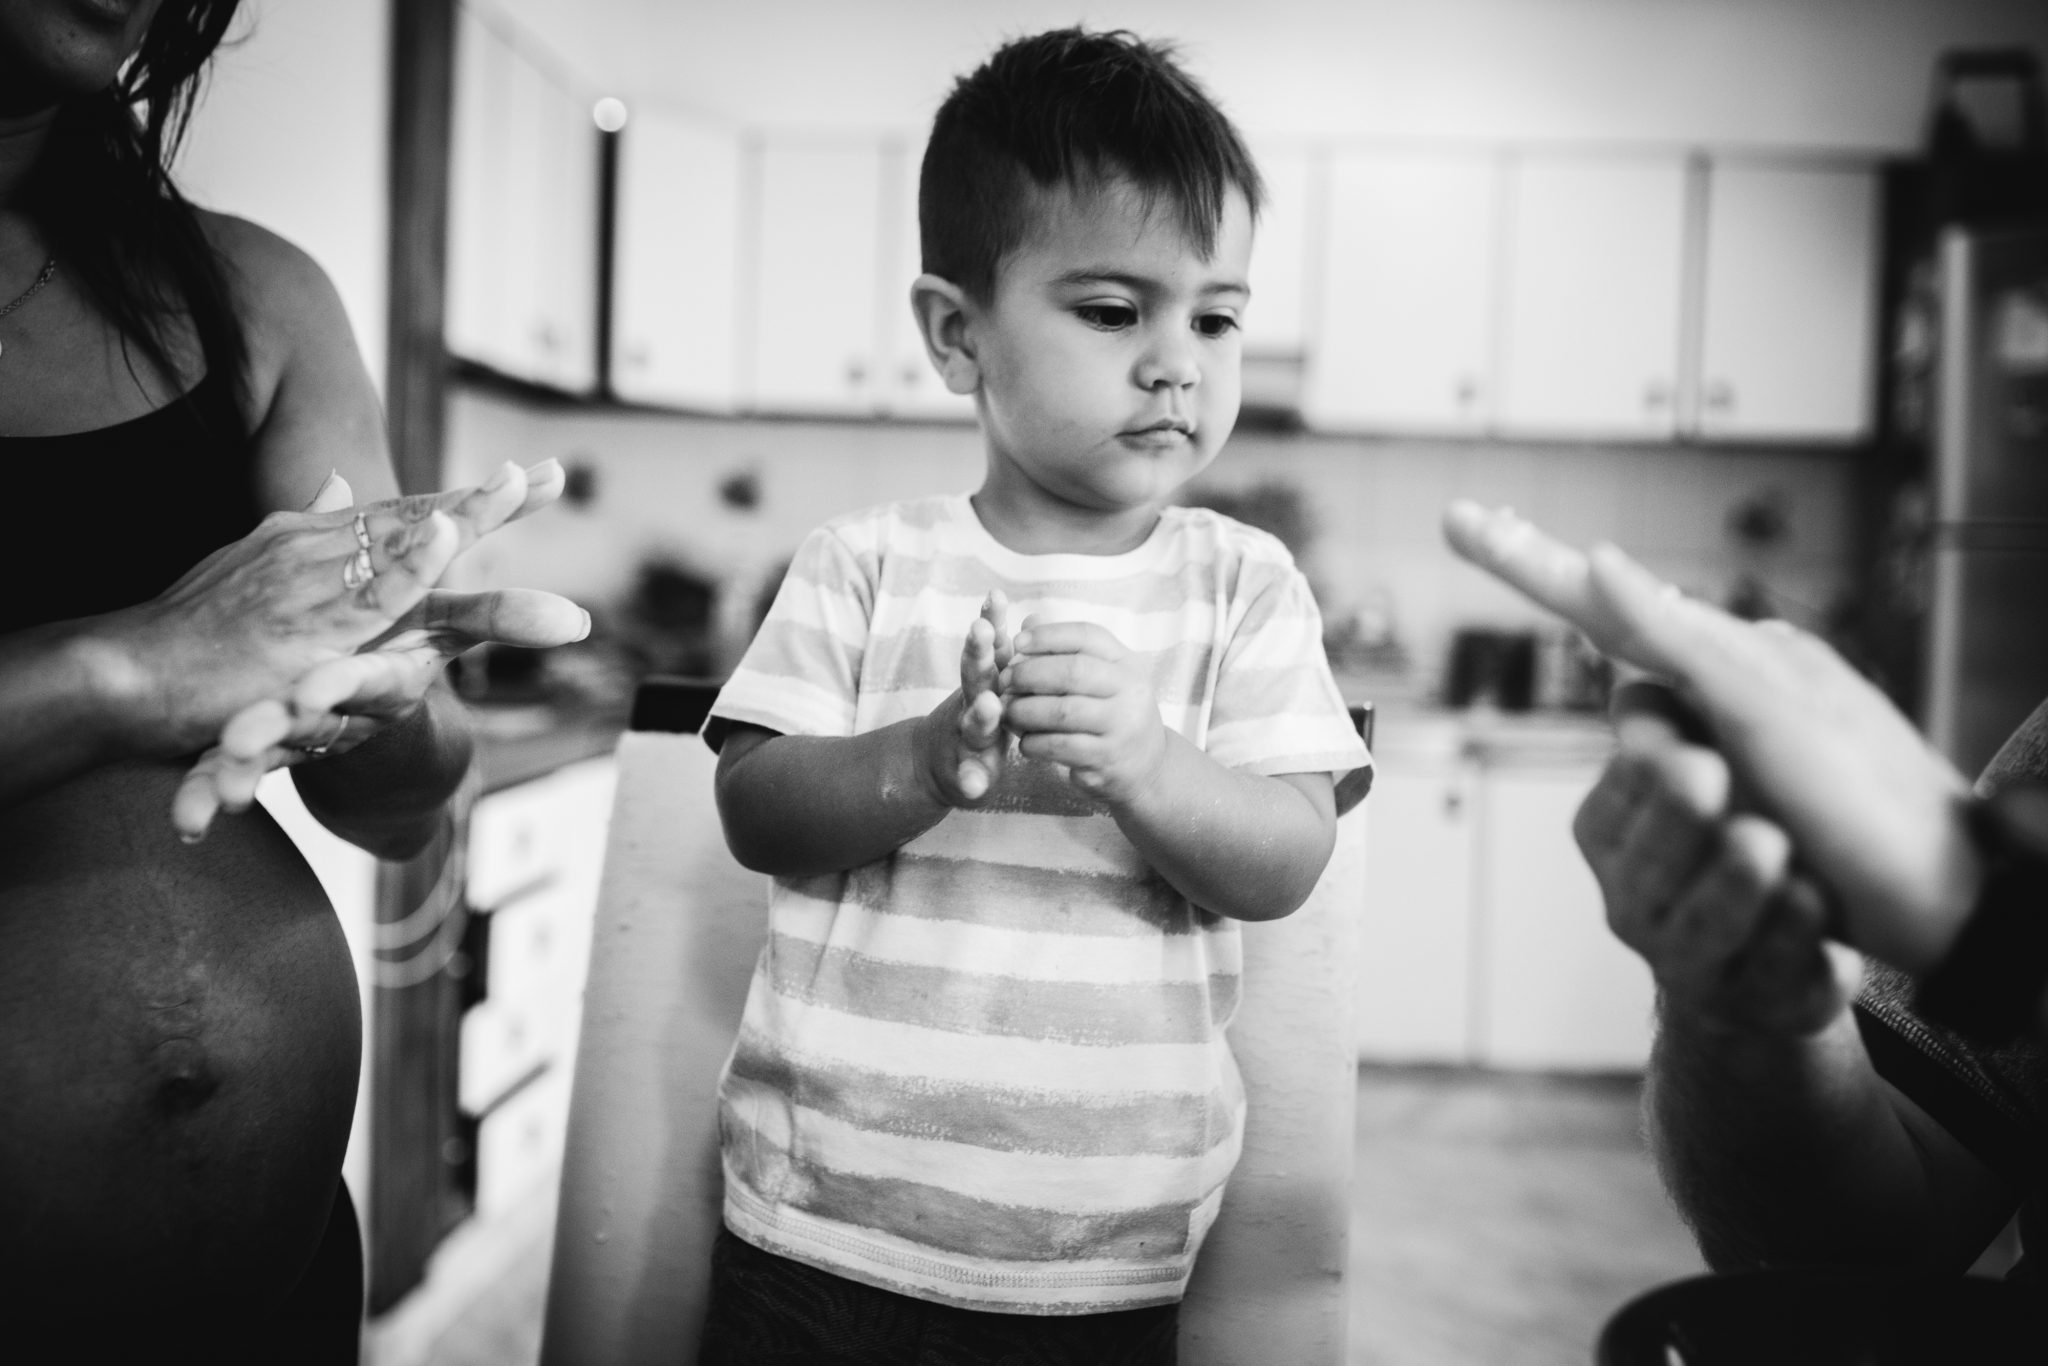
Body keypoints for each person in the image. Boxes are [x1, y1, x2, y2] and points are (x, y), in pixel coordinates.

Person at [695, 29, 1369, 1363]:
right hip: (821, 1222)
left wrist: (1150, 766)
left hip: (1104, 1254)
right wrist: (928, 758)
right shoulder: (863, 565)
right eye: (1117, 312)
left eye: (1217, 317)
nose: (1180, 361)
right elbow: (755, 811)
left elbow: (1290, 853)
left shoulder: (1245, 586)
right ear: (958, 333)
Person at [0, 0, 584, 1357]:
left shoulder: (254, 299)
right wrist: (126, 670)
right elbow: (153, 671)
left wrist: (392, 711)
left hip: (277, 1297)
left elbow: (398, 804)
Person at [1443, 501, 2048, 1299]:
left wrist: (1980, 916)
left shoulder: (1989, 880)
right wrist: (1753, 1013)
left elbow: (1980, 922)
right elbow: (1854, 1254)